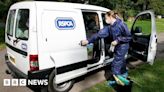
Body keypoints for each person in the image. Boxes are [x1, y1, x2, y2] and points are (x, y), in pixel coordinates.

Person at [81, 11, 132, 91]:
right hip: (116, 46)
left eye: (105, 18)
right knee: (121, 62)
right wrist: (88, 41)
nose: (105, 19)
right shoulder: (109, 27)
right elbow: (98, 35)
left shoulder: (121, 24)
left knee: (115, 65)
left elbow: (129, 37)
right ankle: (124, 75)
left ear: (110, 17)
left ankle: (119, 83)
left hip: (123, 46)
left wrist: (118, 40)